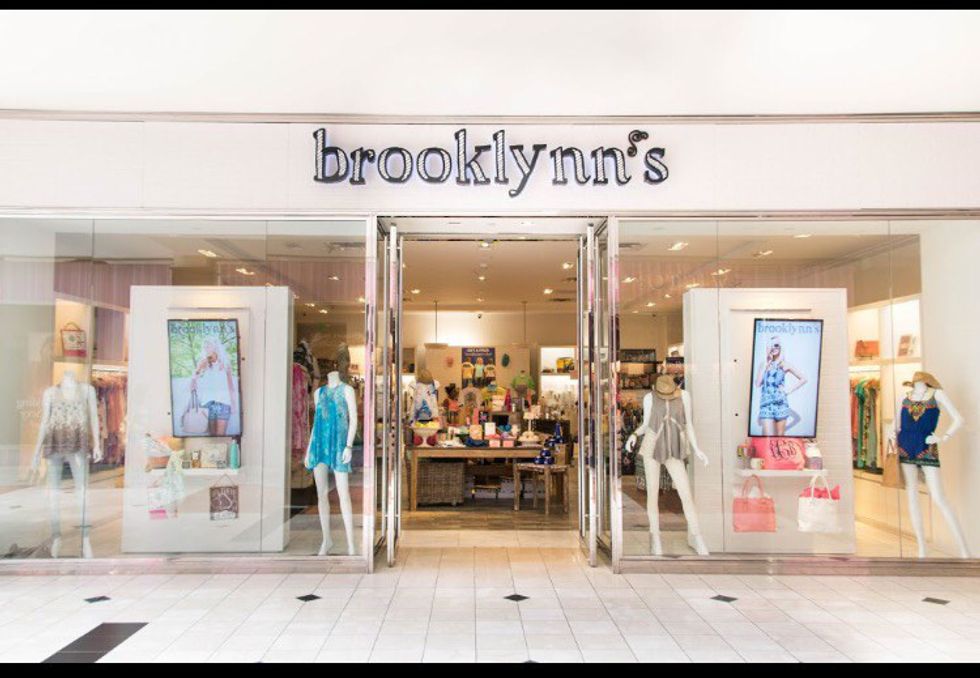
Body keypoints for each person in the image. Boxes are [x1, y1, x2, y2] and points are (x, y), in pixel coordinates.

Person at [755, 335, 806, 436]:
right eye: (771, 345)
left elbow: (803, 379)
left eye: (776, 345)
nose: (773, 348)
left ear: (780, 347)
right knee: (767, 437)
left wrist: (788, 391)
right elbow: (757, 384)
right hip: (766, 405)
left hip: (781, 404)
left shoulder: (784, 364)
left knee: (779, 436)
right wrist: (766, 364)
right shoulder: (763, 364)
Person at [191, 336, 237, 436]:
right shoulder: (203, 362)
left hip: (224, 403)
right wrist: (198, 370)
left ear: (215, 347)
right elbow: (193, 381)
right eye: (205, 346)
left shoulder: (225, 363)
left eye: (208, 346)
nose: (206, 348)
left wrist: (233, 403)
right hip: (208, 404)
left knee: (221, 436)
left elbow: (230, 385)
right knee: (212, 437)